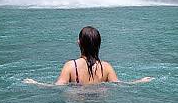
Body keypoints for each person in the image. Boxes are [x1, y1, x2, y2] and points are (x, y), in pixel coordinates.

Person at [23, 26, 153, 86]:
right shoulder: (106, 67)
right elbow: (119, 85)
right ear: (98, 44)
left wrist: (35, 83)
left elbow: (57, 87)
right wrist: (139, 81)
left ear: (79, 43)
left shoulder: (70, 66)